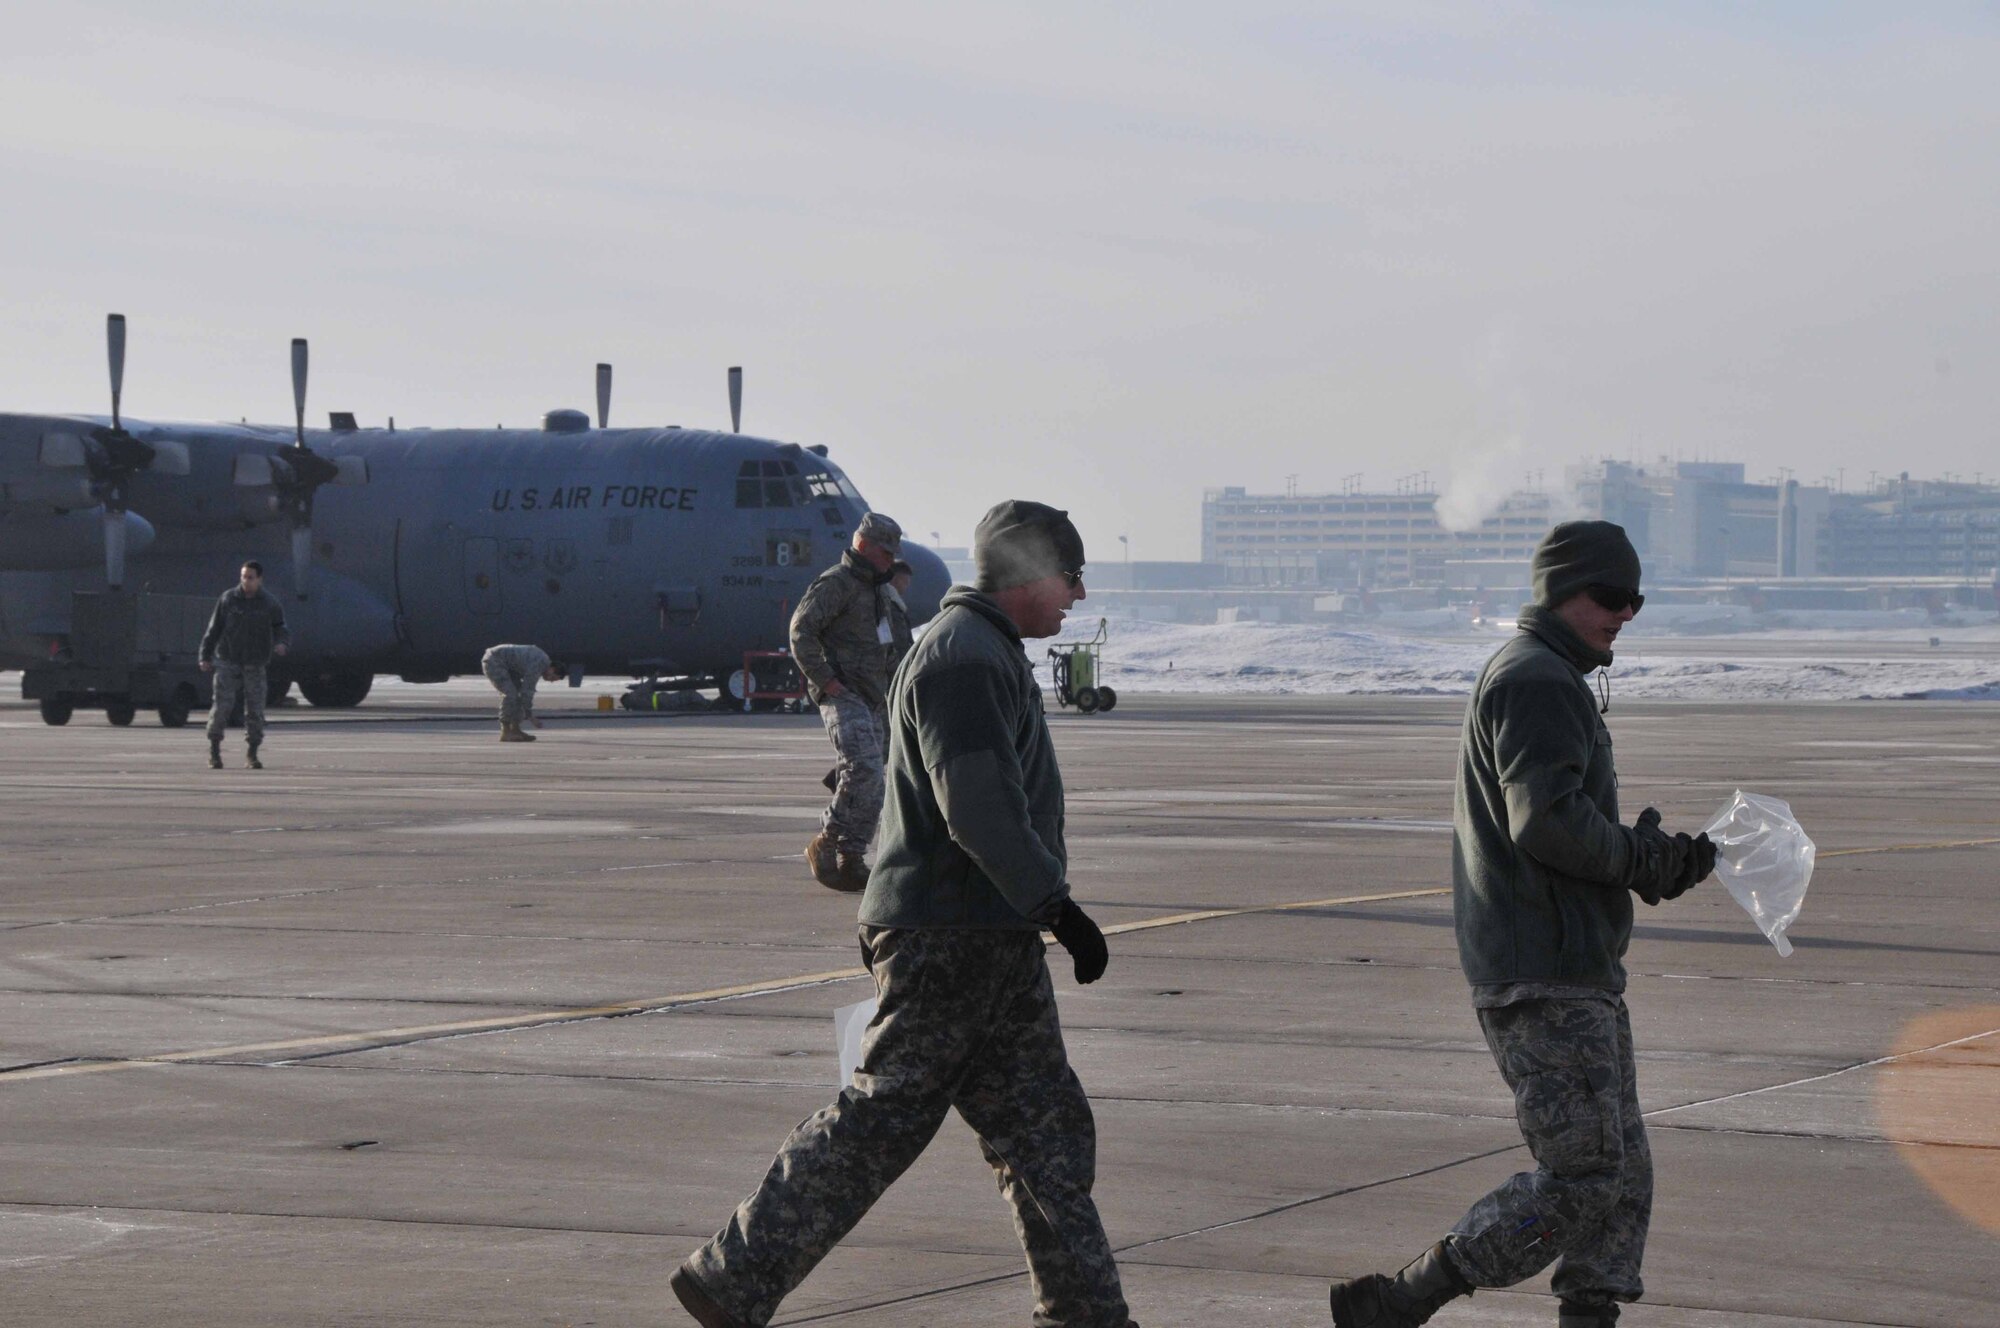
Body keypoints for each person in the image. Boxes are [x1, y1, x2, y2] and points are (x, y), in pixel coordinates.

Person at [672, 500, 1135, 1328]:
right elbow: (980, 808)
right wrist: (1056, 908)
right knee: (884, 1117)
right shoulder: (962, 658)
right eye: (1069, 575)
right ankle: (733, 1275)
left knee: (1047, 1140)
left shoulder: (982, 649)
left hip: (987, 933)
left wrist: (1039, 912)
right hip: (949, 934)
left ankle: (1087, 1315)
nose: (1077, 592)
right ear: (1029, 573)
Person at [1328, 521, 1717, 1328]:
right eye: (1608, 597)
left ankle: (1588, 1315)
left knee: (1621, 1173)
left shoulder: (1554, 674)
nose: (1624, 614)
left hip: (1577, 966)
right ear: (1559, 591)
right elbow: (1545, 822)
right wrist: (1644, 860)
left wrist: (1644, 851)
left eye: (1634, 600)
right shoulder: (1537, 678)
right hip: (1544, 969)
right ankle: (1407, 1298)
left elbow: (1565, 818)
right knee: (1583, 1177)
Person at [790, 512, 902, 893]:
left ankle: (852, 857)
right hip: (843, 693)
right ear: (862, 545)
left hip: (874, 696)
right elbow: (801, 631)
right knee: (865, 769)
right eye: (884, 552)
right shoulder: (836, 584)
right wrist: (825, 681)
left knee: (874, 778)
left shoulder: (879, 590)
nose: (890, 560)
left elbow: (893, 645)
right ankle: (824, 841)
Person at [199, 560, 289, 770]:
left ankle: (252, 753)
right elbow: (214, 629)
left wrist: (282, 644)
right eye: (243, 576)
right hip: (228, 660)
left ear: (259, 579)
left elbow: (281, 628)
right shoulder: (228, 599)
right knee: (221, 706)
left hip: (255, 663)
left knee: (255, 710)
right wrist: (205, 655)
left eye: (250, 577)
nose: (245, 581)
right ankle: (214, 751)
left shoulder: (269, 603)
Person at [481, 644, 564, 743]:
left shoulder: (542, 661)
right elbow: (528, 690)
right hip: (494, 661)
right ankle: (506, 731)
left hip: (508, 666)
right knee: (510, 695)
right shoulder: (539, 664)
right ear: (552, 668)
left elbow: (524, 692)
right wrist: (530, 716)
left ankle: (515, 730)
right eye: (553, 677)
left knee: (518, 694)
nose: (550, 681)